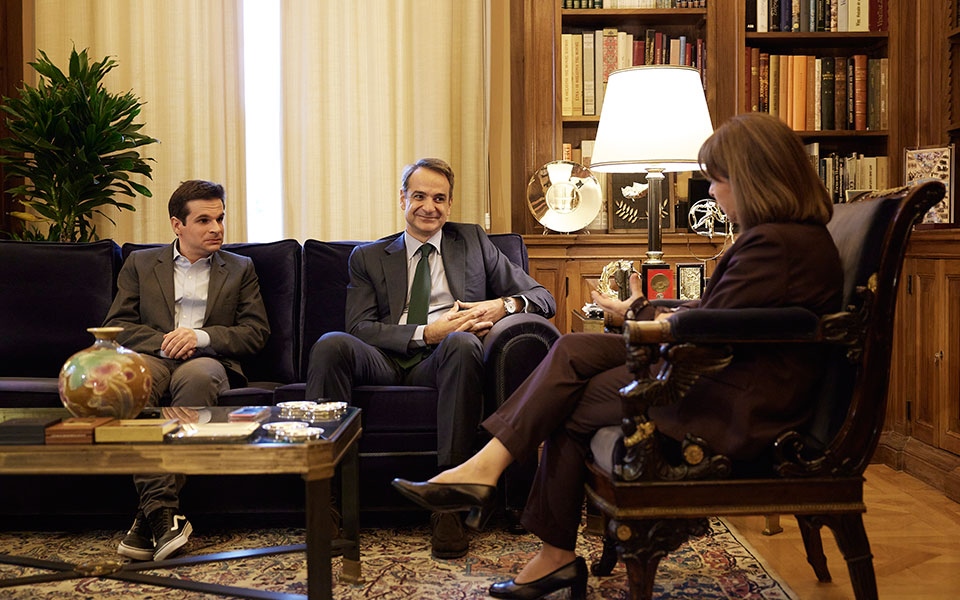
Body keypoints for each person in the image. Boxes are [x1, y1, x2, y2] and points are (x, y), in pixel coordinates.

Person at [391, 113, 844, 599]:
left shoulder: (775, 243)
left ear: (752, 179)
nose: (712, 193)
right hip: (725, 372)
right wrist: (639, 312)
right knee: (572, 347)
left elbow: (715, 327)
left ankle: (531, 529)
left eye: (717, 179)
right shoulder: (785, 237)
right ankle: (495, 485)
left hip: (736, 398)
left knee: (564, 399)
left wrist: (644, 315)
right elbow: (724, 316)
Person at [306, 157, 556, 559]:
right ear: (402, 199)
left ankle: (448, 503)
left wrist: (502, 305)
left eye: (439, 198)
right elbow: (360, 327)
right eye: (419, 196)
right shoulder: (368, 257)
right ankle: (326, 501)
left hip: (443, 359)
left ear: (450, 204)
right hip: (384, 358)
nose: (429, 207)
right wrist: (426, 332)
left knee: (463, 343)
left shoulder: (473, 241)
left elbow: (543, 298)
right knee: (330, 344)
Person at [105, 179, 270, 562]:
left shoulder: (241, 268)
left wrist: (201, 336)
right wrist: (166, 341)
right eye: (204, 220)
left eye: (220, 218)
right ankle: (162, 515)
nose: (216, 229)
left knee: (197, 379)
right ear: (177, 225)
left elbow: (255, 332)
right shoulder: (141, 264)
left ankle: (150, 517)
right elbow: (119, 326)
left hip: (207, 360)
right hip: (155, 355)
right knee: (132, 379)